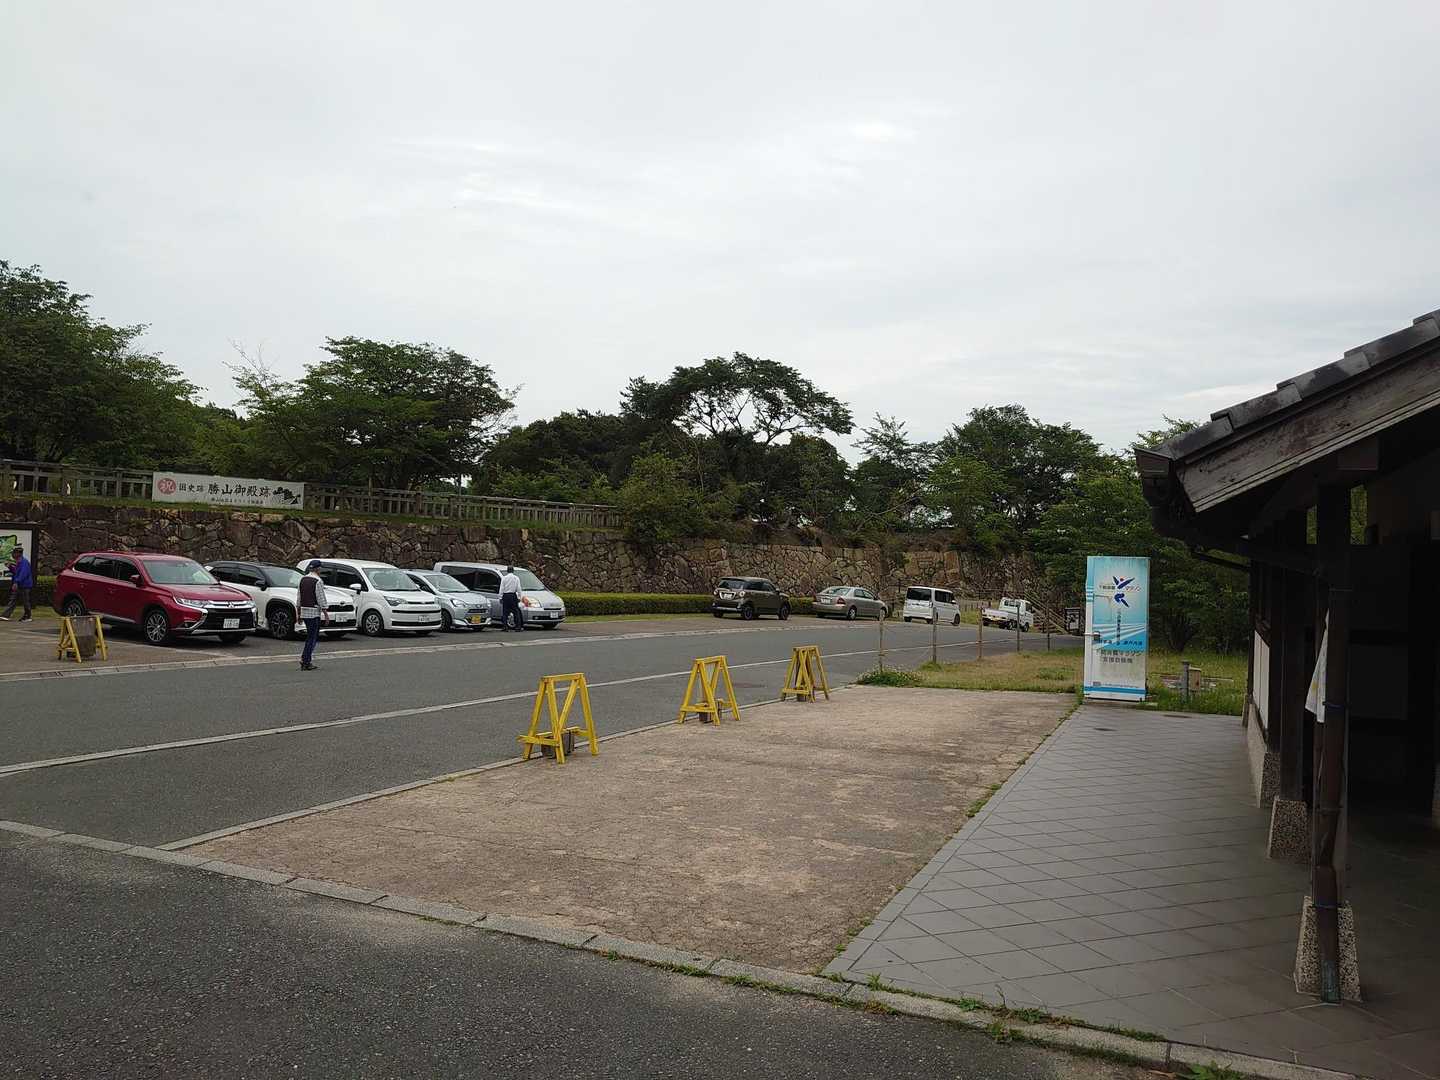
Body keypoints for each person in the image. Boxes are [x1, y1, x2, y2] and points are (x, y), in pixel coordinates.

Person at [297, 560, 329, 670]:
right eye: (320, 568)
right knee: (312, 638)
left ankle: (305, 659)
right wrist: (326, 614)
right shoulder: (318, 581)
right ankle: (305, 660)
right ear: (318, 569)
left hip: (304, 611)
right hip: (314, 612)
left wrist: (299, 613)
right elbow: (321, 599)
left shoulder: (303, 579)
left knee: (309, 637)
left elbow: (299, 597)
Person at [1, 544, 34, 622]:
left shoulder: (24, 562)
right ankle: (5, 615)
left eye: (13, 553)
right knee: (13, 600)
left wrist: (16, 582)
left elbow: (23, 574)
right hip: (19, 585)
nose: (12, 555)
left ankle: (28, 616)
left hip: (24, 585)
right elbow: (16, 572)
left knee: (25, 601)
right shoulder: (19, 562)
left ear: (18, 554)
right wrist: (10, 567)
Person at [499, 565, 524, 632]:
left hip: (506, 595)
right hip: (513, 595)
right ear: (513, 571)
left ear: (507, 571)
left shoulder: (504, 578)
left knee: (505, 612)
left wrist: (500, 597)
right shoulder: (516, 578)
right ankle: (518, 627)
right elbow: (519, 588)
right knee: (516, 612)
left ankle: (505, 627)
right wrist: (519, 597)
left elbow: (501, 588)